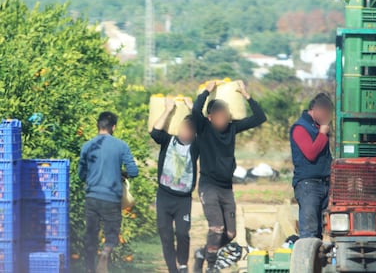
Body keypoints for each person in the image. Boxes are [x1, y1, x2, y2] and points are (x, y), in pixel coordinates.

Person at [192, 81, 267, 273]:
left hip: (226, 188)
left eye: (225, 116)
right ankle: (211, 266)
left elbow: (260, 117)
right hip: (208, 186)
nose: (222, 119)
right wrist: (207, 91)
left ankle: (203, 253)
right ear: (210, 118)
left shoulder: (232, 128)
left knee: (230, 233)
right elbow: (195, 111)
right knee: (216, 228)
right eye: (218, 116)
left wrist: (245, 94)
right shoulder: (203, 128)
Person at [78, 111, 139, 273]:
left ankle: (89, 269)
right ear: (113, 127)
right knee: (112, 233)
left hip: (92, 196)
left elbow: (81, 175)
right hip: (111, 197)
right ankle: (105, 252)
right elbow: (133, 171)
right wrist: (121, 173)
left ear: (98, 125)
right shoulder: (121, 146)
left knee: (91, 234)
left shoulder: (87, 146)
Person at [150, 97, 198, 273]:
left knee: (183, 233)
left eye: (189, 130)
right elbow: (155, 131)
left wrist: (193, 107)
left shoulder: (196, 146)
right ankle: (172, 269)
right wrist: (168, 110)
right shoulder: (167, 140)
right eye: (183, 128)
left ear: (194, 133)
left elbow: (208, 132)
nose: (185, 132)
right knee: (166, 235)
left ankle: (183, 264)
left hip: (183, 199)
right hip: (164, 196)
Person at [289, 93, 333, 239]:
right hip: (308, 185)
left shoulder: (318, 127)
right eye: (326, 113)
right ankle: (306, 259)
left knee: (319, 230)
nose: (328, 117)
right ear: (316, 110)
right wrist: (322, 135)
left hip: (324, 183)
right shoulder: (300, 128)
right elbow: (310, 153)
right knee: (309, 231)